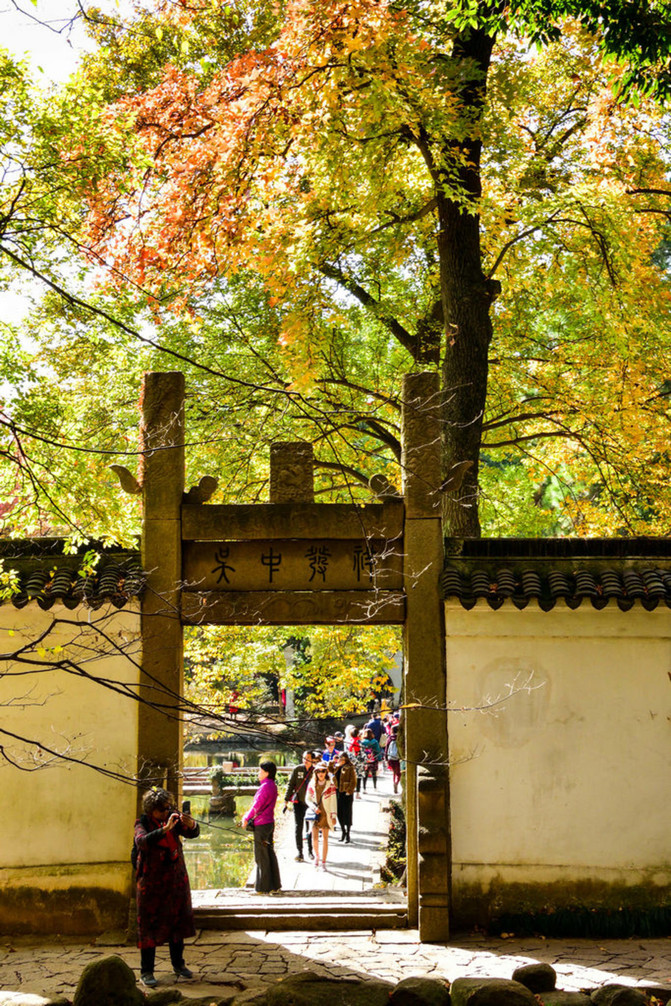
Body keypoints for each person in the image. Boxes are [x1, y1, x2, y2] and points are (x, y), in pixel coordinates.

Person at [134, 787, 200, 988]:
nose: (165, 813)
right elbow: (142, 841)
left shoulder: (172, 819)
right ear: (151, 810)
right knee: (149, 927)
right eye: (161, 810)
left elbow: (193, 834)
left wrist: (192, 824)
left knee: (177, 923)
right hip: (152, 883)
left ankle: (178, 965)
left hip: (175, 880)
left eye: (167, 808)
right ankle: (147, 971)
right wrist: (164, 829)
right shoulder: (142, 822)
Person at [241, 760, 281, 894]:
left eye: (260, 771)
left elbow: (257, 806)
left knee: (261, 855)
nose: (258, 773)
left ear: (267, 773)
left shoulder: (265, 787)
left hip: (262, 824)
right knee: (269, 853)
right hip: (269, 822)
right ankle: (275, 885)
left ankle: (263, 887)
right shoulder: (272, 785)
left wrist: (246, 818)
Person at [305, 761, 337, 870]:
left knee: (325, 838)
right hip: (315, 814)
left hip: (326, 814)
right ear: (315, 772)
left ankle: (324, 861)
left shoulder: (330, 785)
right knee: (314, 838)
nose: (321, 773)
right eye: (318, 771)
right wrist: (314, 808)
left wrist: (333, 816)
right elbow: (307, 799)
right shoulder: (311, 784)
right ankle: (317, 857)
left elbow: (333, 801)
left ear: (326, 772)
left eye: (323, 771)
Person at [283, 750, 314, 862]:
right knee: (298, 826)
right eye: (304, 758)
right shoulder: (297, 769)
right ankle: (299, 851)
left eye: (308, 758)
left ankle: (311, 850)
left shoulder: (315, 771)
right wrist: (286, 799)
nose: (306, 760)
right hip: (298, 803)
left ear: (312, 759)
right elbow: (291, 784)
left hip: (310, 804)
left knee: (310, 827)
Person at [333, 751, 357, 843]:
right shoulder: (337, 767)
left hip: (346, 793)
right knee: (339, 813)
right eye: (340, 758)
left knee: (347, 813)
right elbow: (329, 769)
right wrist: (333, 761)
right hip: (338, 792)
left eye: (343, 758)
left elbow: (353, 780)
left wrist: (349, 790)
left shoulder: (350, 767)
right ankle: (343, 831)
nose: (341, 760)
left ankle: (348, 833)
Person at [386, 725, 402, 794]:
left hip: (391, 757)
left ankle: (394, 782)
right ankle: (396, 783)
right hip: (399, 757)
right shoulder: (400, 738)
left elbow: (386, 748)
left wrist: (386, 758)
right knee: (399, 773)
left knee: (394, 772)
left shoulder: (390, 738)